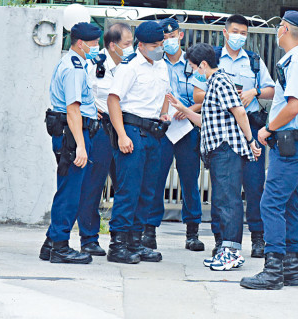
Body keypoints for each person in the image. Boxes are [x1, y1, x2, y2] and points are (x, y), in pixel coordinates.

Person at [240, 10, 298, 290]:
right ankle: (291, 269)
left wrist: (268, 129)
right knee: (288, 204)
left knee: (270, 203)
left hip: (291, 142)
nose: (277, 32)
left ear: (285, 29)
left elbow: (293, 106)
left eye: (279, 27)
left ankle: (273, 270)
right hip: (296, 142)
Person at [168, 43, 262, 271]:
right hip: (218, 150)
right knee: (221, 200)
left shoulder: (220, 81)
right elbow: (207, 122)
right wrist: (185, 109)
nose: (193, 72)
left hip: (226, 150)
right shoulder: (214, 83)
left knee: (228, 200)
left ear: (202, 64)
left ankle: (231, 251)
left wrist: (251, 141)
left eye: (193, 67)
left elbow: (239, 111)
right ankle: (226, 250)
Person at [193, 14, 276, 258]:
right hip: (223, 129)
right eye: (236, 31)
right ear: (225, 33)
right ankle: (222, 239)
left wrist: (254, 92)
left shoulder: (254, 61)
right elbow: (198, 95)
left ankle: (259, 238)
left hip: (249, 125)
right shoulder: (213, 60)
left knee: (254, 186)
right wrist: (224, 92)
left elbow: (271, 90)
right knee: (224, 189)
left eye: (244, 33)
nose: (239, 36)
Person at [106, 21, 171, 264]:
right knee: (129, 190)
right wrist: (121, 135)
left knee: (147, 191)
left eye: (161, 44)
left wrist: (164, 112)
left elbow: (165, 94)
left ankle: (136, 241)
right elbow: (114, 101)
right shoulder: (130, 67)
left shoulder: (162, 65)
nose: (159, 49)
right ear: (140, 45)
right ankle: (118, 245)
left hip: (154, 132)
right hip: (132, 130)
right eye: (154, 45)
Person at [40, 22, 102, 264]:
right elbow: (73, 110)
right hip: (72, 135)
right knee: (70, 192)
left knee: (69, 189)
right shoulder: (75, 68)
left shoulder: (73, 63)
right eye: (94, 44)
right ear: (80, 43)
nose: (97, 48)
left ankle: (51, 243)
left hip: (69, 132)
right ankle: (60, 247)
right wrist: (81, 146)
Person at [142, 18, 206, 252]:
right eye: (164, 38)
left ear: (180, 36)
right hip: (161, 129)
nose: (168, 42)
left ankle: (193, 232)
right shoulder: (155, 63)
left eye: (172, 37)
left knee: (189, 180)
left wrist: (187, 111)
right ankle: (149, 230)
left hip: (186, 128)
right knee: (155, 179)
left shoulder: (194, 64)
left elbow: (205, 96)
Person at [80, 22, 134, 257]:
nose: (131, 48)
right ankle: (89, 238)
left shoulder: (132, 65)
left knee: (125, 185)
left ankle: (123, 238)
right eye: (127, 44)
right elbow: (80, 92)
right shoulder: (93, 64)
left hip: (125, 128)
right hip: (101, 130)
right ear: (113, 45)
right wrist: (91, 107)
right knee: (93, 185)